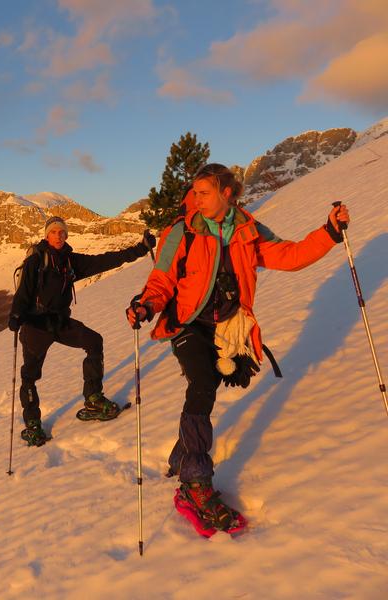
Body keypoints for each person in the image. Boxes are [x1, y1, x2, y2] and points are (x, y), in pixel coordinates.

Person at [125, 163, 350, 531]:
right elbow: (162, 278)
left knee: (209, 386)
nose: (195, 200)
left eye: (203, 193)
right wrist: (146, 305)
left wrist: (329, 232)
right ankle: (194, 482)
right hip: (187, 324)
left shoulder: (247, 230)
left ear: (227, 194)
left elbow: (289, 255)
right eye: (194, 192)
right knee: (200, 382)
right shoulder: (182, 231)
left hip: (228, 327)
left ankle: (183, 452)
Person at [9, 215, 156, 447]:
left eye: (62, 232)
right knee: (30, 375)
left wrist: (140, 249)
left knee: (94, 341)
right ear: (46, 236)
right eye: (54, 232)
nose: (58, 236)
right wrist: (16, 315)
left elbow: (106, 261)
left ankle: (93, 398)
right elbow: (23, 294)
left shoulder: (70, 261)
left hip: (59, 322)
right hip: (35, 326)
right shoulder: (36, 261)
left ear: (66, 235)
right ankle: (33, 424)